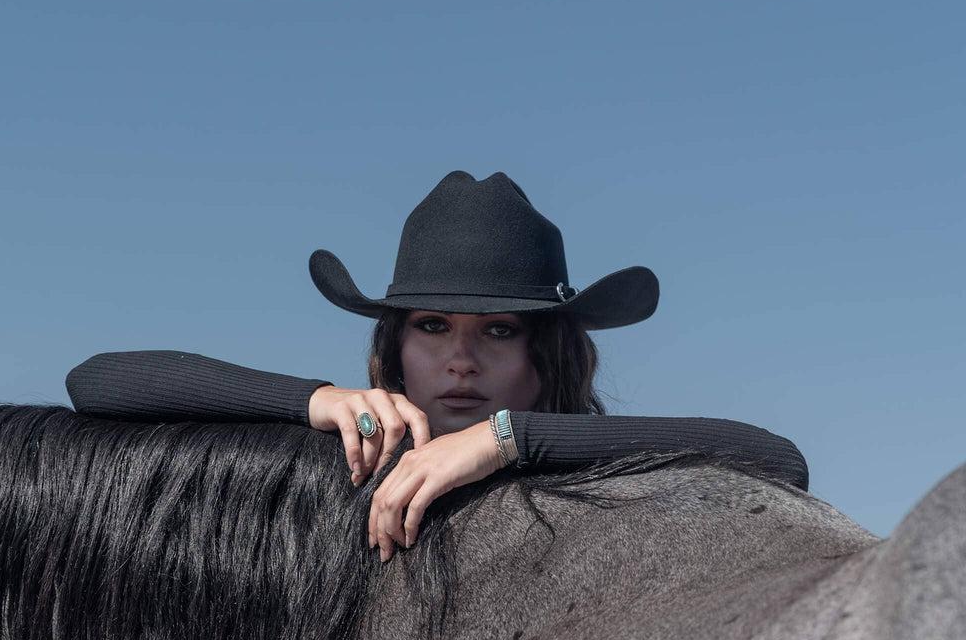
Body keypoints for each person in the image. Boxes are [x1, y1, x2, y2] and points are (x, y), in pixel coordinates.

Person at [66, 170, 809, 564]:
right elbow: (94, 382)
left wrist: (508, 441)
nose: (460, 359)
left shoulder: (588, 467)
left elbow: (777, 458)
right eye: (431, 326)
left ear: (546, 352)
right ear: (394, 346)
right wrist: (316, 401)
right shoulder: (359, 448)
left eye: (497, 330)